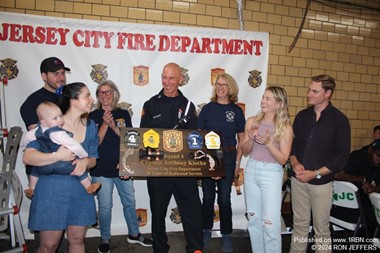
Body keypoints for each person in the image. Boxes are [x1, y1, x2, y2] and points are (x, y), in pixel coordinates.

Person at [23, 82, 99, 253]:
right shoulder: (51, 123)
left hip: (80, 189)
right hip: (51, 189)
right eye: (87, 95)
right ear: (73, 101)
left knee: (78, 240)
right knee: (48, 246)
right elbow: (28, 157)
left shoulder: (91, 126)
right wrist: (57, 156)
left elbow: (93, 159)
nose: (92, 100)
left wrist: (84, 163)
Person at [140, 62, 203, 253]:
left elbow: (194, 140)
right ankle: (160, 248)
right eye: (164, 77)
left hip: (183, 169)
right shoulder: (150, 105)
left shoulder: (189, 106)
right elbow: (143, 138)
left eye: (172, 78)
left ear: (180, 80)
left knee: (192, 210)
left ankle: (196, 248)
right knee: (158, 213)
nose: (167, 82)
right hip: (158, 169)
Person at [89, 80, 153, 253]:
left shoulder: (123, 113)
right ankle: (105, 239)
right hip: (100, 169)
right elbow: (94, 144)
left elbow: (130, 140)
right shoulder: (93, 116)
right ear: (98, 96)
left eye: (108, 92)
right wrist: (104, 124)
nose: (105, 95)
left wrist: (113, 126)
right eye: (101, 93)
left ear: (114, 93)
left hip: (123, 167)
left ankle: (134, 234)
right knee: (104, 206)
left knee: (129, 202)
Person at [289, 74, 351, 253]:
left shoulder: (339, 121)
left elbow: (341, 157)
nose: (309, 94)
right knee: (299, 225)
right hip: (298, 180)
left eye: (314, 91)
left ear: (328, 93)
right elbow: (292, 145)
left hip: (321, 184)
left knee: (321, 229)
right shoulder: (302, 116)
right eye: (309, 90)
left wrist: (315, 173)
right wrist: (294, 162)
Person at [19, 56, 70, 252]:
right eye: (55, 74)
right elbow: (43, 138)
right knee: (47, 237)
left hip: (65, 169)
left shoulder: (67, 99)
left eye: (63, 73)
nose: (61, 77)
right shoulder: (32, 102)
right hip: (43, 171)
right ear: (43, 75)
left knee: (63, 231)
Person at [240, 86, 293, 253]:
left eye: (268, 98)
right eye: (263, 97)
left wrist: (269, 144)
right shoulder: (252, 121)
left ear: (279, 103)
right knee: (254, 220)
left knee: (270, 223)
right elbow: (246, 150)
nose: (263, 101)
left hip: (271, 173)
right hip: (252, 170)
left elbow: (283, 159)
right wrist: (250, 138)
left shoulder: (285, 127)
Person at [198, 73, 246, 252]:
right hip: (209, 158)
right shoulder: (207, 109)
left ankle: (226, 234)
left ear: (231, 88)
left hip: (228, 158)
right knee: (208, 197)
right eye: (218, 84)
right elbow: (199, 136)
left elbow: (241, 139)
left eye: (224, 84)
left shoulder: (236, 111)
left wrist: (237, 163)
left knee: (225, 199)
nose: (220, 87)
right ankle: (206, 230)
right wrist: (204, 159)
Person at [21, 101, 100, 197]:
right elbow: (73, 144)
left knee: (35, 171)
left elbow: (27, 137)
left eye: (60, 116)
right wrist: (83, 155)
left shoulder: (37, 131)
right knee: (79, 171)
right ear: (73, 101)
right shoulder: (58, 133)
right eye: (55, 118)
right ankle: (89, 186)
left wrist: (24, 146)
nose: (60, 120)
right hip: (61, 167)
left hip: (44, 167)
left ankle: (31, 188)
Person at [334, 139, 380, 236]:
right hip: (346, 208)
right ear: (371, 149)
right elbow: (338, 175)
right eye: (378, 155)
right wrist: (361, 180)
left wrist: (374, 189)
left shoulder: (376, 162)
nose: (379, 160)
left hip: (361, 207)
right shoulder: (357, 157)